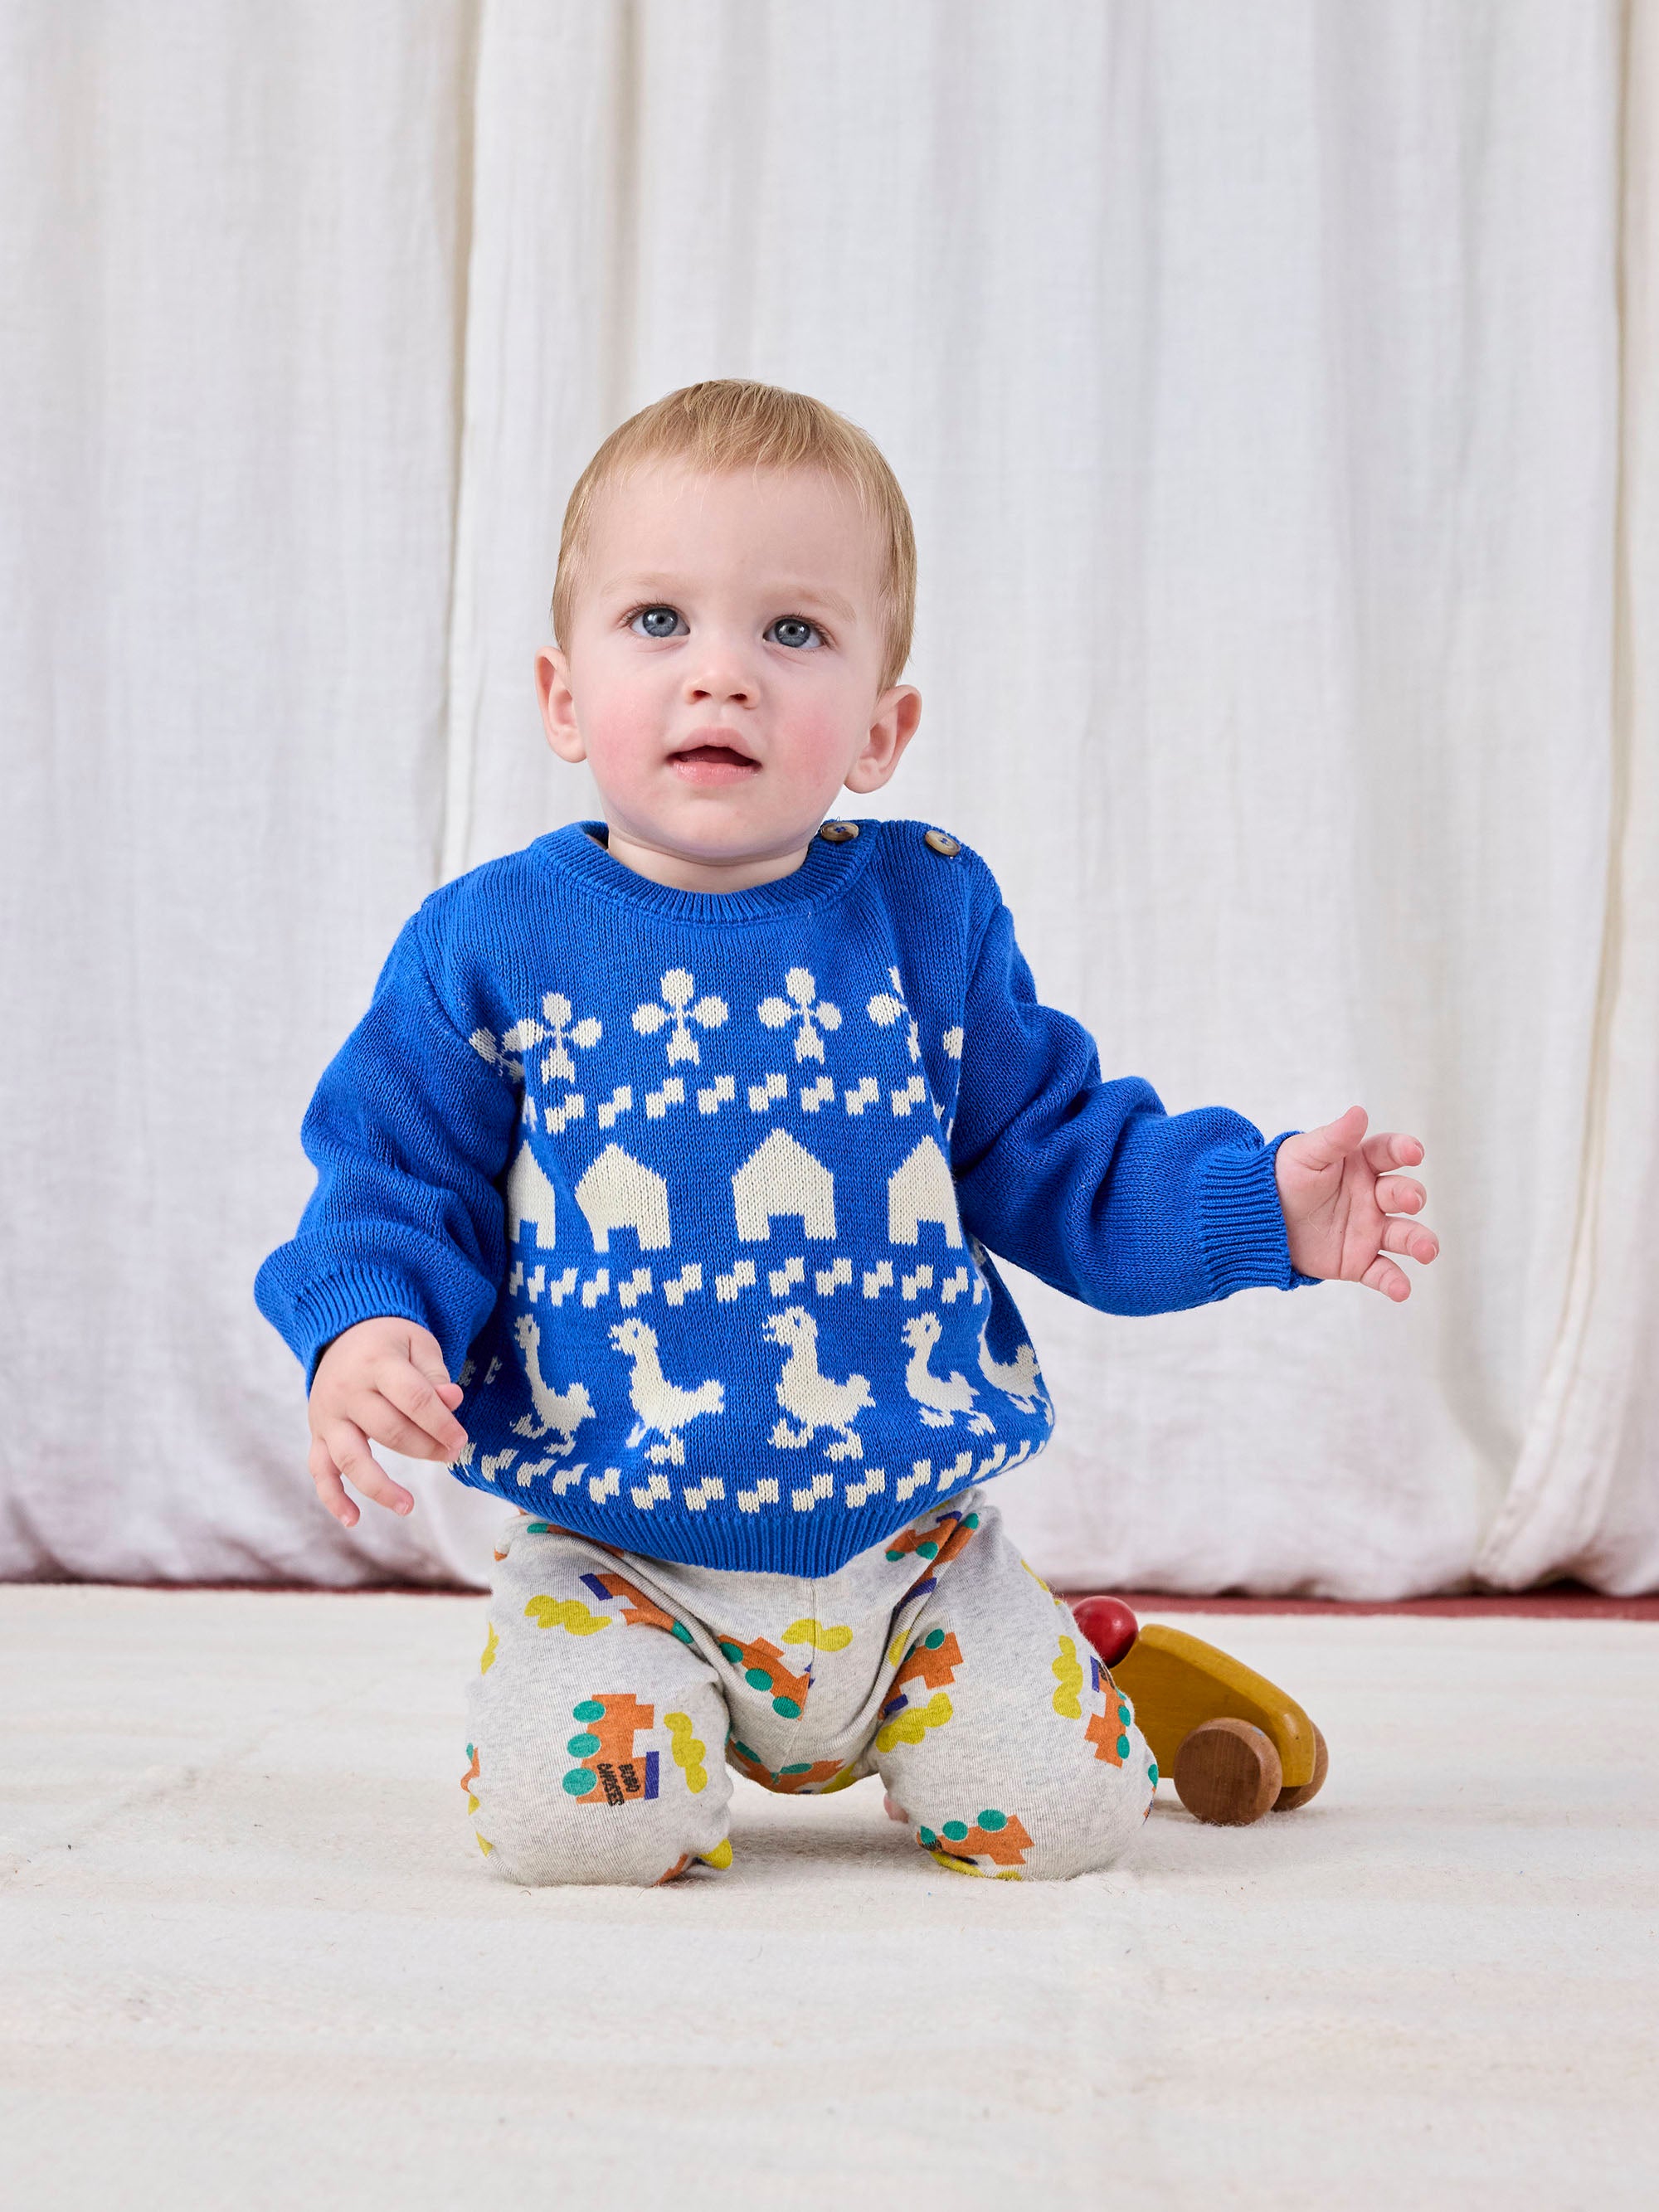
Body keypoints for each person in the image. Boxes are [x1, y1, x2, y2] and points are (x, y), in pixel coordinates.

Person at [255, 380, 1438, 1884]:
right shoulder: (488, 943)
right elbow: (395, 1175)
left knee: (1067, 1825)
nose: (722, 677)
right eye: (659, 622)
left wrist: (1259, 1206)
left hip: (913, 1555)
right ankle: (655, 1715)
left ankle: (1073, 1667)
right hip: (617, 1556)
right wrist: (369, 1323)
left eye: (793, 631)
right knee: (578, 1831)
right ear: (562, 695)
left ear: (881, 727)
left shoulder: (925, 914)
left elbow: (1058, 1150)